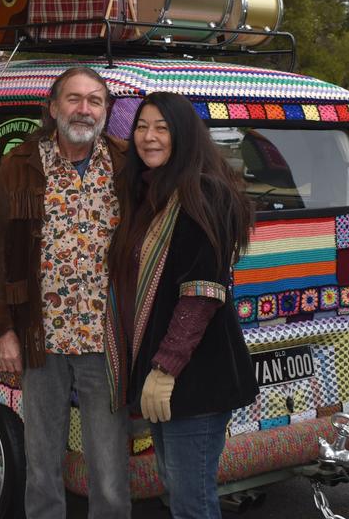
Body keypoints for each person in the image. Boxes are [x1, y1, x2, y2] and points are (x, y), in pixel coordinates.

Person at [0, 66, 131, 519]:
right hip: (40, 340)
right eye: (73, 98)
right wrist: (3, 330)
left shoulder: (126, 165)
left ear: (105, 110)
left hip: (106, 343)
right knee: (43, 463)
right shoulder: (21, 164)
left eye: (95, 100)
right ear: (53, 107)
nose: (84, 109)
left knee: (108, 471)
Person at [105, 92, 258, 519]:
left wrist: (165, 368)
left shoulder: (204, 194)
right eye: (141, 126)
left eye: (162, 128)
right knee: (176, 490)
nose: (148, 137)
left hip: (195, 378)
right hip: (165, 372)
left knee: (192, 501)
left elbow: (202, 291)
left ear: (185, 136)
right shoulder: (149, 193)